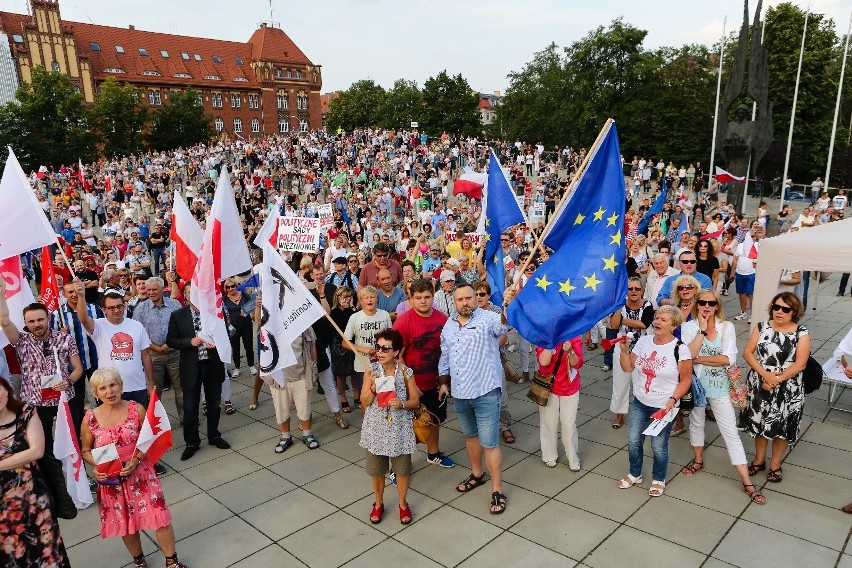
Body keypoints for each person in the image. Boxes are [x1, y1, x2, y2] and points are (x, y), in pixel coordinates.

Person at [80, 368, 186, 568]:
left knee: (160, 516)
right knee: (126, 523)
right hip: (111, 479)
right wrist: (97, 467)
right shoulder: (90, 419)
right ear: (95, 393)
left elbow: (149, 439)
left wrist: (136, 460)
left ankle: (172, 562)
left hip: (140, 473)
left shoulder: (136, 408)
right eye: (102, 388)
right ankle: (139, 561)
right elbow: (85, 450)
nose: (109, 391)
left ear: (121, 386)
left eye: (113, 385)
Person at [680, 289, 765, 504]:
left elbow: (728, 359)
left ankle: (746, 481)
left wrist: (699, 359)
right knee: (696, 424)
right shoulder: (689, 328)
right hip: (697, 386)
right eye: (702, 303)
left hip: (721, 387)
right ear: (696, 305)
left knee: (731, 433)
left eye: (711, 303)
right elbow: (687, 356)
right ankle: (698, 460)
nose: (707, 307)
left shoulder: (726, 327)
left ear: (717, 306)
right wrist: (700, 334)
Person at [440, 283, 510, 514]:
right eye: (460, 299)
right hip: (460, 394)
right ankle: (477, 474)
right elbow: (445, 355)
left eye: (469, 298)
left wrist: (507, 307)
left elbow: (502, 327)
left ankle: (497, 489)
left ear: (475, 298)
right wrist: (443, 383)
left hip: (486, 392)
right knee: (470, 436)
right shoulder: (448, 326)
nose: (465, 302)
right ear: (454, 301)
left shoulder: (488, 318)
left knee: (490, 443)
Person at [617, 306, 692, 497]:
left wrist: (673, 400)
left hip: (664, 407)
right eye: (657, 318)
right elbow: (627, 368)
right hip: (641, 401)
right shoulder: (643, 342)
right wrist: (624, 351)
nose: (658, 322)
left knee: (658, 446)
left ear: (673, 325)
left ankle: (658, 478)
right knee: (634, 440)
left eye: (664, 320)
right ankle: (635, 473)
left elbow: (686, 380)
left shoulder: (680, 349)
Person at [0, 286, 83, 455]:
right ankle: (53, 479)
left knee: (73, 441)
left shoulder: (64, 338)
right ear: (25, 322)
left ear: (48, 318)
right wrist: (1, 294)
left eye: (40, 320)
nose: (37, 324)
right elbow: (5, 321)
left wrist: (68, 381)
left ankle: (78, 476)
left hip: (64, 398)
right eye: (31, 321)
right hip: (36, 402)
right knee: (43, 446)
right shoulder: (21, 340)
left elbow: (78, 368)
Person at [0, 376, 71, 567]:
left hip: (36, 501)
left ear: (7, 390)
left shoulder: (26, 412)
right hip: (3, 511)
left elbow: (37, 451)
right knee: (15, 558)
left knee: (48, 553)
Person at [741, 292, 810, 484]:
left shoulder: (801, 333)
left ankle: (775, 464)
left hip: (788, 388)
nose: (779, 311)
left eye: (785, 309)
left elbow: (800, 364)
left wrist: (776, 379)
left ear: (794, 312)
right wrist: (766, 376)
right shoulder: (761, 327)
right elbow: (747, 353)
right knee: (759, 422)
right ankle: (759, 460)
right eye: (776, 307)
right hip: (760, 383)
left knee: (783, 425)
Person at [359, 329, 419, 525]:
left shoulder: (405, 372)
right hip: (376, 429)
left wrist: (401, 403)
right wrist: (373, 389)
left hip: (399, 430)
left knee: (402, 471)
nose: (380, 351)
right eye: (378, 347)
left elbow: (415, 401)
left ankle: (402, 503)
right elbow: (364, 402)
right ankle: (378, 502)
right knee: (376, 471)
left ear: (396, 351)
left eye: (386, 348)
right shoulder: (371, 371)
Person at [166, 280, 231, 461]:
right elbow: (171, 340)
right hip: (191, 367)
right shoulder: (178, 316)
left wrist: (216, 343)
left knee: (214, 404)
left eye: (196, 293)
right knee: (190, 407)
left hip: (212, 365)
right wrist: (189, 342)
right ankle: (192, 443)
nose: (193, 296)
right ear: (185, 296)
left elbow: (226, 334)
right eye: (189, 293)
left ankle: (214, 436)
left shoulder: (213, 314)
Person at [393, 277, 454, 467]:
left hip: (435, 383)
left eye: (427, 297)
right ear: (411, 297)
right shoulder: (404, 322)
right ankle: (400, 466)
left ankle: (433, 452)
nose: (423, 301)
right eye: (418, 297)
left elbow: (448, 351)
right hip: (412, 385)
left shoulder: (443, 319)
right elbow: (396, 356)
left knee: (433, 420)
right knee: (405, 426)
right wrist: (410, 384)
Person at [74, 283, 156, 406]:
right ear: (104, 310)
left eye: (120, 306)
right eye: (112, 308)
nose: (117, 310)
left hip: (137, 387)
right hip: (110, 391)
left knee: (140, 423)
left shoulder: (137, 325)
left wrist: (150, 383)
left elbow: (145, 356)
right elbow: (84, 319)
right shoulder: (98, 326)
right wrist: (81, 296)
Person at [132, 277, 183, 423]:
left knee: (181, 388)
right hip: (153, 356)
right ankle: (156, 423)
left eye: (154, 289)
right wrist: (156, 348)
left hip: (175, 353)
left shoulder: (174, 305)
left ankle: (185, 417)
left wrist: (171, 344)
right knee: (154, 391)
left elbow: (182, 326)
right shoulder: (140, 309)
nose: (151, 292)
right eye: (148, 290)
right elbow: (138, 334)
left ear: (162, 289)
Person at [265, 328, 321, 452]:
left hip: (301, 375)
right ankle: (285, 437)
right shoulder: (271, 322)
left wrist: (314, 368)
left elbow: (313, 346)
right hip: (279, 377)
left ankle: (307, 434)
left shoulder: (302, 322)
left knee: (305, 408)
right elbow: (258, 319)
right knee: (281, 410)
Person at [609, 277, 654, 429]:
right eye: (630, 289)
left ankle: (641, 413)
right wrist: (617, 310)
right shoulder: (620, 305)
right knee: (620, 382)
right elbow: (614, 326)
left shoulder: (647, 305)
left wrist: (623, 320)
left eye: (637, 289)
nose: (633, 291)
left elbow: (644, 324)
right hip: (622, 348)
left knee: (641, 383)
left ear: (642, 291)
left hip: (643, 350)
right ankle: (619, 413)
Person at [536, 337, 584, 470]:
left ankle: (573, 457)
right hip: (548, 388)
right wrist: (549, 344)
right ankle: (549, 455)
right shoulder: (543, 335)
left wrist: (570, 351)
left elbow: (578, 364)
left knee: (569, 425)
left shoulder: (574, 336)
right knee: (548, 423)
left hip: (569, 387)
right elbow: (544, 363)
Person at [343, 285, 392, 409]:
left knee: (385, 397)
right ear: (360, 300)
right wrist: (363, 349)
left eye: (372, 297)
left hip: (383, 364)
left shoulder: (384, 315)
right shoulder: (355, 318)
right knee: (366, 399)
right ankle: (366, 425)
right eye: (366, 298)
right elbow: (344, 342)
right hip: (363, 365)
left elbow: (391, 338)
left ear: (377, 299)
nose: (369, 300)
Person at [329, 286, 357, 413]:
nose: (347, 299)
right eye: (344, 297)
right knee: (341, 374)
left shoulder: (352, 310)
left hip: (352, 342)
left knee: (354, 371)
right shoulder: (334, 312)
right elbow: (338, 328)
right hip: (339, 345)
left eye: (349, 296)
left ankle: (357, 395)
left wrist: (352, 308)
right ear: (338, 298)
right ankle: (343, 396)